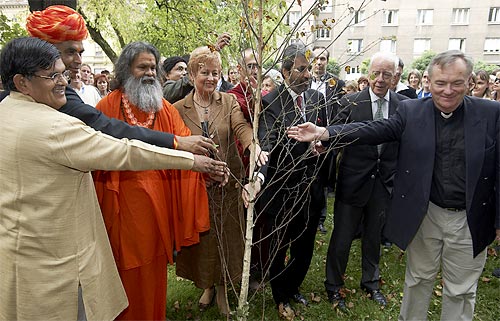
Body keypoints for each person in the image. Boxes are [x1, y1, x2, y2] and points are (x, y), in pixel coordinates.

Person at [0, 36, 226, 321]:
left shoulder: (5, 111)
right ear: (22, 82)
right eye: (53, 75)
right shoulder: (59, 123)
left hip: (20, 255)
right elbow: (124, 152)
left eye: (62, 72)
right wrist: (189, 157)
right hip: (62, 261)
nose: (63, 80)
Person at [288, 50, 500, 321]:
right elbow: (374, 129)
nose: (447, 91)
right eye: (440, 83)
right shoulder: (411, 110)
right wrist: (326, 132)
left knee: (460, 291)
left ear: (469, 82)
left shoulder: (491, 113)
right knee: (418, 280)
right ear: (429, 81)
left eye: (456, 83)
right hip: (426, 214)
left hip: (470, 219)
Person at [92, 41, 215, 321]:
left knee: (151, 272)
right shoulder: (106, 106)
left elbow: (186, 143)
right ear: (126, 71)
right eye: (142, 67)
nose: (149, 73)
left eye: (152, 67)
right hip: (119, 206)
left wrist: (206, 167)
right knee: (121, 273)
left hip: (158, 206)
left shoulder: (164, 109)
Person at [21, 5, 216, 156]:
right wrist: (176, 142)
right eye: (71, 52)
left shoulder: (166, 108)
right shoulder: (96, 103)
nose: (79, 61)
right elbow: (105, 128)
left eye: (152, 68)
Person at [173, 45, 266, 318]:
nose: (211, 78)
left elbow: (241, 127)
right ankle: (207, 286)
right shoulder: (178, 109)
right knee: (204, 242)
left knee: (227, 240)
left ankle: (223, 289)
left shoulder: (228, 102)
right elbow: (177, 145)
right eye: (205, 72)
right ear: (192, 75)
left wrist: (253, 146)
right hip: (196, 187)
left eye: (216, 72)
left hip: (228, 185)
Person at [245, 42, 328, 319]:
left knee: (304, 247)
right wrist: (258, 176)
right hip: (282, 190)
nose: (308, 75)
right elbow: (267, 145)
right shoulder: (270, 103)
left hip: (311, 188)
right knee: (280, 246)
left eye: (309, 69)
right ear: (285, 71)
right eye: (301, 69)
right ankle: (280, 295)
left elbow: (324, 135)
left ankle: (293, 287)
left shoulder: (317, 99)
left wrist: (320, 147)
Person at [323, 52, 408, 310]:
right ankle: (334, 286)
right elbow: (335, 138)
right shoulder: (350, 102)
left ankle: (370, 282)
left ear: (395, 77)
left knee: (374, 236)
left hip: (384, 184)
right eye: (375, 73)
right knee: (342, 236)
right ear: (368, 74)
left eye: (386, 75)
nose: (380, 80)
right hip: (353, 181)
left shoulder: (404, 106)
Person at [311, 46, 344, 235]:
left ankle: (320, 218)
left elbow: (340, 112)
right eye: (315, 58)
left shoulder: (336, 84)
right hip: (306, 138)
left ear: (327, 61)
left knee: (323, 179)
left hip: (327, 138)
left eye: (322, 58)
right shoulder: (304, 82)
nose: (319, 62)